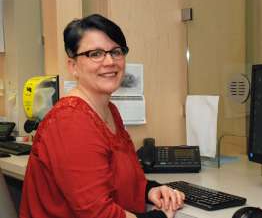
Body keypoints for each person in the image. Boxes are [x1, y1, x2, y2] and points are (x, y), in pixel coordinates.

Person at [19, 14, 185, 218]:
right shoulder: (70, 121)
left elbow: (114, 177)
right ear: (73, 66)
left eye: (116, 52)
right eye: (95, 54)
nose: (110, 61)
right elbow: (97, 213)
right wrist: (161, 216)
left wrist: (149, 190)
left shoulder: (109, 110)